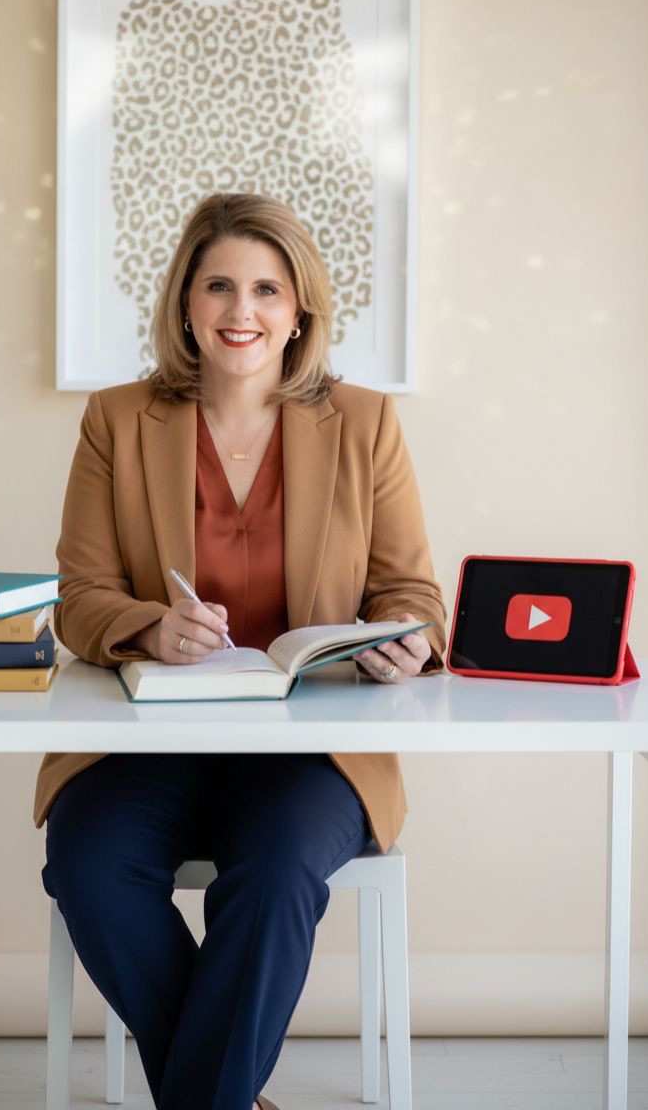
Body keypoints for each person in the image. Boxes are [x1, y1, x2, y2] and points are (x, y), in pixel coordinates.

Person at [36, 192, 446, 1110]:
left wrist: (409, 645)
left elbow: (414, 595)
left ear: (301, 309)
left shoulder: (366, 424)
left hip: (310, 748)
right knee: (89, 863)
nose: (241, 311)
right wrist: (148, 625)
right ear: (186, 298)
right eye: (218, 285)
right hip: (150, 738)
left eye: (267, 288)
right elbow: (81, 600)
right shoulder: (117, 420)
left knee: (276, 869)